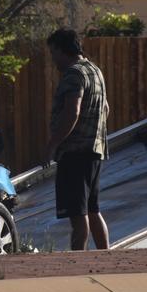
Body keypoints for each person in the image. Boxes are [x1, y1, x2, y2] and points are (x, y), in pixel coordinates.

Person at [42, 27, 110, 250]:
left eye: (54, 53)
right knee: (93, 209)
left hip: (75, 153)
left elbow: (73, 111)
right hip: (95, 151)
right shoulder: (96, 72)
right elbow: (106, 109)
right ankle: (105, 255)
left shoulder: (74, 74)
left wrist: (53, 144)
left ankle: (76, 262)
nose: (53, 60)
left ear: (64, 50)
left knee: (78, 215)